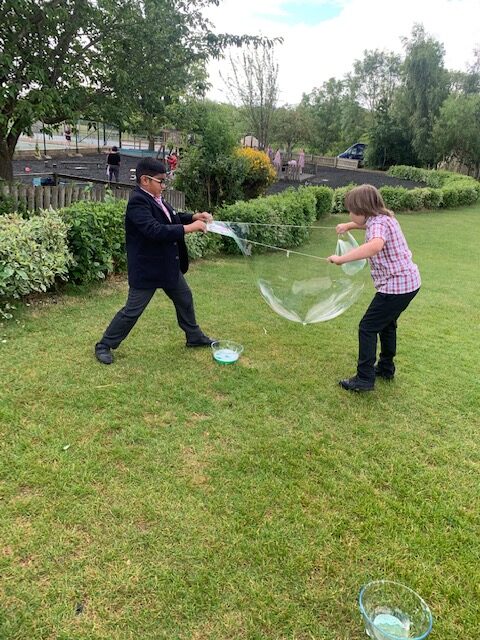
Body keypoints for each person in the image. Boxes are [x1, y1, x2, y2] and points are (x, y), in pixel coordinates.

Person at [94, 157, 215, 365]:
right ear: (145, 180)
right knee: (132, 311)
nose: (164, 185)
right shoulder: (137, 202)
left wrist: (195, 216)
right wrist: (189, 229)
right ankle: (104, 345)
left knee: (184, 299)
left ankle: (194, 337)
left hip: (168, 267)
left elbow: (172, 216)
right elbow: (154, 230)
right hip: (147, 269)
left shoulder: (156, 198)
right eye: (161, 180)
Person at [327, 184, 421, 392]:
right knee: (387, 325)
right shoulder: (384, 218)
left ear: (363, 210)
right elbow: (367, 225)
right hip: (408, 283)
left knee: (367, 327)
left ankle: (364, 379)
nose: (350, 214)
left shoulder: (377, 225)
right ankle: (386, 368)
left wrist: (342, 259)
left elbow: (375, 245)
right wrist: (349, 225)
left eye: (352, 211)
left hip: (395, 287)